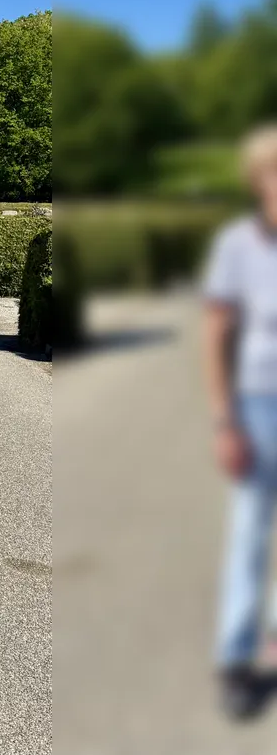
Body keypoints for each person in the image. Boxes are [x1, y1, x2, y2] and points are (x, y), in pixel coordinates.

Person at [203, 124, 277, 722]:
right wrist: (224, 419)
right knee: (250, 534)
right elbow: (216, 334)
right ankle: (237, 659)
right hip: (257, 403)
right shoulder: (238, 245)